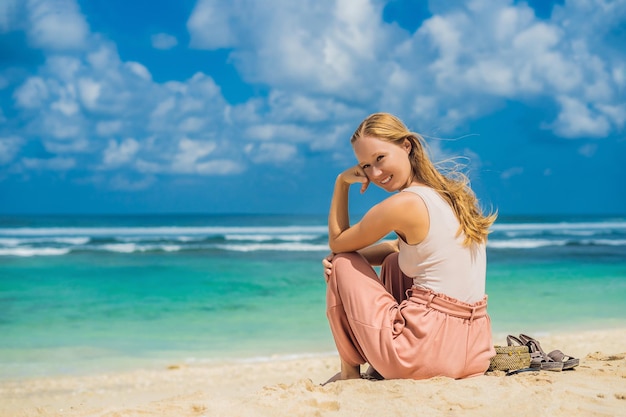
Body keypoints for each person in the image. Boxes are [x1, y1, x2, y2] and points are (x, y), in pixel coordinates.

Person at [322, 112, 497, 383]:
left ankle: (349, 374)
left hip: (421, 355)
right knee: (392, 260)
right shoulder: (453, 196)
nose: (375, 173)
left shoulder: (403, 204)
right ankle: (379, 368)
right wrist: (351, 261)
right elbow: (396, 247)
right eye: (365, 166)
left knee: (342, 260)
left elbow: (338, 241)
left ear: (406, 146)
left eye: (380, 158)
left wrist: (341, 183)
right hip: (475, 352)